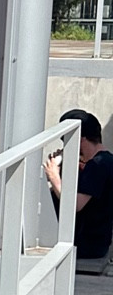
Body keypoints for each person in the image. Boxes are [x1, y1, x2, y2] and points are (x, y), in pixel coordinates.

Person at [45, 108, 113, 273]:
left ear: (80, 139)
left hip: (86, 244)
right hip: (95, 243)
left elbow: (75, 205)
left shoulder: (97, 166)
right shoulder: (105, 161)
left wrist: (54, 177)